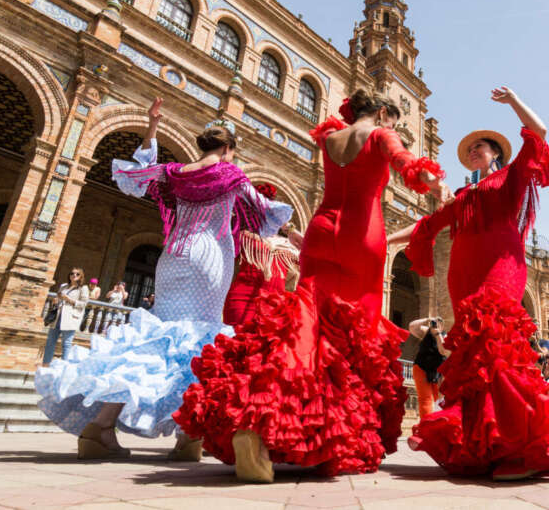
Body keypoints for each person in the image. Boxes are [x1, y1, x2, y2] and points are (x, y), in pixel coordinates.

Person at [174, 89, 451, 482]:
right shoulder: (379, 135)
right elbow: (406, 162)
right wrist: (432, 181)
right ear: (385, 114)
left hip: (322, 230)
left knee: (304, 324)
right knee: (355, 338)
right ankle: (329, 433)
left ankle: (257, 422)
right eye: (394, 121)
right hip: (362, 237)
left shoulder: (331, 138)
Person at [34, 97, 292, 461]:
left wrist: (152, 126)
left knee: (157, 337)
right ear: (229, 149)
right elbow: (263, 210)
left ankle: (100, 427)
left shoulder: (175, 173)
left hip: (171, 257)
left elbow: (137, 174)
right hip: (208, 257)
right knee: (200, 342)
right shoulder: (231, 174)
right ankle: (188, 437)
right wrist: (294, 235)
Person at [390, 86, 549, 479]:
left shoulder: (511, 178)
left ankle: (520, 445)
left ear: (496, 154)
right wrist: (382, 239)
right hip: (463, 274)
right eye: (470, 150)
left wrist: (515, 101)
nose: (473, 152)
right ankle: (489, 444)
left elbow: (540, 133)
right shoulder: (464, 194)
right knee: (475, 359)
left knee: (497, 344)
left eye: (481, 148)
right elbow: (427, 226)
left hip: (501, 265)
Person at [220, 183, 302, 326]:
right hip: (241, 299)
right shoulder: (244, 235)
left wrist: (290, 229)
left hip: (275, 310)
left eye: (273, 211)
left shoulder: (290, 246)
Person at [41, 268, 89, 365]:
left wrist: (68, 299)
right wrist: (56, 301)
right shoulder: (63, 286)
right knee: (50, 342)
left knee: (66, 343)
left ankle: (63, 366)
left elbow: (83, 304)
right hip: (57, 317)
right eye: (72, 273)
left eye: (77, 274)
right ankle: (45, 365)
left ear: (81, 276)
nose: (74, 275)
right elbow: (59, 298)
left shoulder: (83, 288)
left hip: (70, 318)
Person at [409, 316, 450, 419]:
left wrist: (437, 334)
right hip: (421, 367)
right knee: (425, 399)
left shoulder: (444, 336)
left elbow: (443, 350)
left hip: (437, 371)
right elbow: (412, 326)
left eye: (439, 322)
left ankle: (439, 424)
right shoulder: (426, 332)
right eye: (435, 322)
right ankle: (425, 426)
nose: (436, 324)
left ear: (442, 325)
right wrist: (427, 320)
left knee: (440, 400)